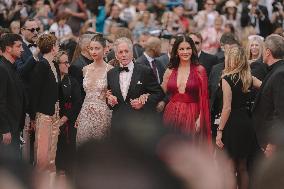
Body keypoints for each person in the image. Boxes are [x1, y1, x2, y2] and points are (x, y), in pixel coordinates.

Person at [215, 46, 259, 189]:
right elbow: (266, 87)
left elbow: (227, 107)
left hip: (232, 123)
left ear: (230, 59)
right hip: (246, 122)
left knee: (229, 168)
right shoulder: (248, 77)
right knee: (242, 167)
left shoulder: (227, 79)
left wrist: (220, 130)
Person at [161, 35, 211, 146]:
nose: (185, 52)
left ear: (192, 50)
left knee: (189, 148)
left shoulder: (200, 70)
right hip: (171, 114)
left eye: (188, 48)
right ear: (176, 51)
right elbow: (160, 92)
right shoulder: (169, 70)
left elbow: (204, 97)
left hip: (193, 113)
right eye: (181, 49)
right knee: (171, 149)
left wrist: (200, 119)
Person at [106, 37, 164, 132]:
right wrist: (110, 100)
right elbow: (109, 96)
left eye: (126, 51)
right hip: (118, 124)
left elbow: (159, 93)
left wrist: (143, 102)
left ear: (132, 53)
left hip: (140, 124)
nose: (124, 55)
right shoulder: (111, 74)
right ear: (116, 55)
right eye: (120, 52)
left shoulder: (144, 71)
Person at [29, 34, 60, 171]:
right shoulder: (41, 65)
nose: (58, 47)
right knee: (42, 154)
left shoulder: (54, 65)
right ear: (53, 47)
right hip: (43, 114)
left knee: (52, 152)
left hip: (55, 113)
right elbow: (34, 92)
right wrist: (33, 116)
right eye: (57, 45)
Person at [76, 35, 113, 145]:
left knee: (99, 150)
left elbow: (113, 94)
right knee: (82, 147)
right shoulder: (85, 69)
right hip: (85, 113)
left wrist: (109, 96)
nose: (93, 51)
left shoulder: (110, 70)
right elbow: (83, 95)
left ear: (105, 49)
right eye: (91, 48)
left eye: (97, 48)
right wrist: (79, 114)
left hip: (102, 114)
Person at [252, 34, 284, 157]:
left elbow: (280, 112)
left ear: (267, 52)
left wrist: (272, 143)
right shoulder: (276, 71)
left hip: (274, 143)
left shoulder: (279, 73)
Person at [54, 51, 82, 173]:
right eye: (65, 63)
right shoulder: (51, 80)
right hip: (51, 119)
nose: (68, 65)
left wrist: (65, 118)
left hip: (68, 121)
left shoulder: (72, 81)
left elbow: (77, 102)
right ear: (56, 64)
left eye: (68, 62)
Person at [0, 33, 24, 156]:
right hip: (7, 130)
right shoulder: (2, 69)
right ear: (8, 48)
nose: (22, 49)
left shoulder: (12, 67)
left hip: (14, 127)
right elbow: (1, 101)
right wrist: (5, 130)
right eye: (19, 46)